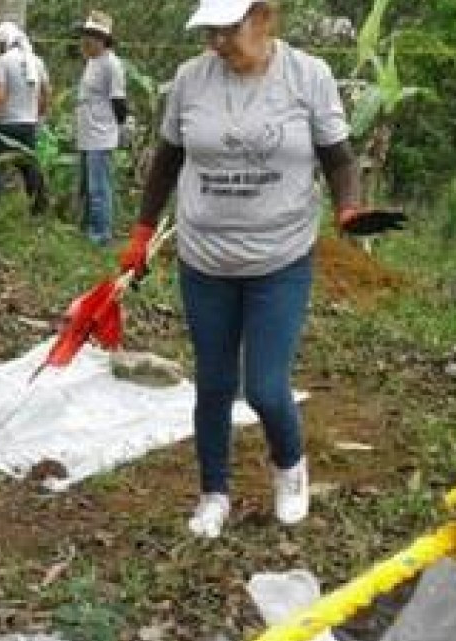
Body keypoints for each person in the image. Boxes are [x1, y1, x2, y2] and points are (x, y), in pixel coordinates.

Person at [118, 0, 363, 539]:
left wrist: (348, 208)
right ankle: (214, 494)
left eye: (227, 30)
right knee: (213, 383)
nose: (217, 43)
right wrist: (141, 232)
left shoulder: (308, 76)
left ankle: (290, 466)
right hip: (204, 258)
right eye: (210, 31)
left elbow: (339, 159)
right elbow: (166, 159)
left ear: (265, 18)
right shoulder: (190, 79)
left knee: (266, 388)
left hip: (280, 258)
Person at [0, 21, 51, 217]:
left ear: (4, 42)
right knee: (29, 168)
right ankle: (39, 209)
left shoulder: (1, 62)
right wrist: (38, 115)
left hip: (5, 125)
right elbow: (46, 93)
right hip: (28, 125)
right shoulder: (37, 62)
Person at [75, 10, 128, 246]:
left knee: (99, 189)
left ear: (103, 40)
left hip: (101, 134)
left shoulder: (111, 65)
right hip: (87, 133)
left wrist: (120, 127)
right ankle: (88, 228)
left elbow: (118, 101)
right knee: (87, 187)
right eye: (86, 35)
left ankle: (101, 235)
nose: (87, 40)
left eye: (93, 36)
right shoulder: (92, 62)